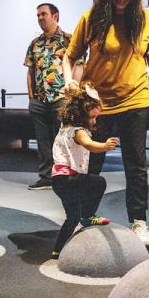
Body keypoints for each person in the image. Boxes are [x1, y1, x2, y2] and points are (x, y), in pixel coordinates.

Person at [62, 0, 149, 249]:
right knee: (89, 164)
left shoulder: (146, 20)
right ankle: (84, 217)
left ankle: (139, 221)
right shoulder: (92, 18)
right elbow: (69, 56)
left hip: (135, 99)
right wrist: (69, 80)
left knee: (136, 165)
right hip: (96, 104)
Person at [50, 82, 118, 259]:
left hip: (59, 180)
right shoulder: (78, 131)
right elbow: (89, 144)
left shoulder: (63, 128)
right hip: (69, 179)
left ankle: (57, 250)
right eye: (93, 117)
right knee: (98, 182)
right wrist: (105, 145)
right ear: (81, 116)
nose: (95, 121)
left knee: (72, 216)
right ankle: (88, 216)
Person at [24, 3, 74, 190]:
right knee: (43, 141)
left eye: (44, 14)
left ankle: (65, 177)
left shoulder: (69, 40)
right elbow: (30, 72)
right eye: (38, 15)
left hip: (61, 99)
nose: (40, 18)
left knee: (63, 139)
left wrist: (72, 98)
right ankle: (46, 177)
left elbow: (78, 68)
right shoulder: (35, 44)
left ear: (56, 16)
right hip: (39, 100)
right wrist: (31, 97)